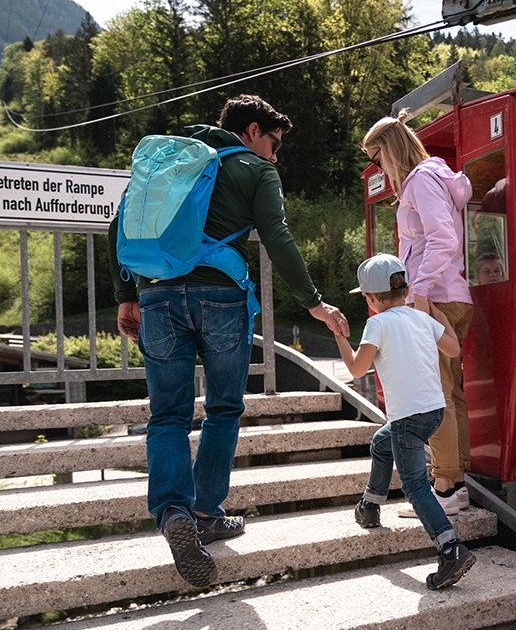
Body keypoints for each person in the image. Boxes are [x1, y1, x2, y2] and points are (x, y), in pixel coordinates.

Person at [108, 94, 349, 588]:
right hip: (220, 298)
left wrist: (126, 297)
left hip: (157, 297)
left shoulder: (168, 162)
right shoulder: (254, 171)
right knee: (222, 407)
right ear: (252, 130)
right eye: (274, 143)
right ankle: (205, 513)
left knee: (168, 413)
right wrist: (314, 303)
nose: (275, 154)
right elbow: (277, 239)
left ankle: (173, 513)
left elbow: (118, 224)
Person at [337, 253, 476, 590]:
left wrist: (339, 335)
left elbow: (356, 370)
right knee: (381, 444)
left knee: (415, 486)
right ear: (407, 288)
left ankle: (450, 548)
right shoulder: (420, 319)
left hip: (408, 420)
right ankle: (370, 505)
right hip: (434, 412)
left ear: (370, 299)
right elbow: (454, 350)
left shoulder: (378, 324)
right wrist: (436, 315)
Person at [361, 115, 473, 516]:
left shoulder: (421, 181)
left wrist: (420, 293)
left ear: (389, 150)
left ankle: (444, 487)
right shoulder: (434, 178)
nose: (378, 169)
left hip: (436, 296)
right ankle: (456, 482)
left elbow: (443, 238)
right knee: (451, 392)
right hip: (451, 295)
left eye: (376, 160)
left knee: (436, 395)